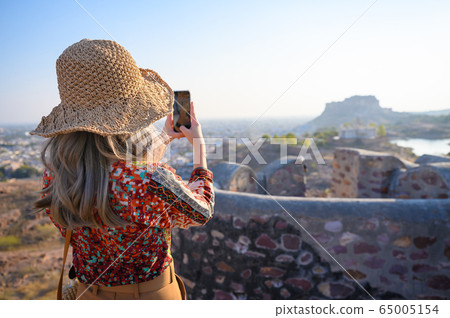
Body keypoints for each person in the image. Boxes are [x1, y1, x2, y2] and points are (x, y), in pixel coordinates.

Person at [32, 39, 214, 300]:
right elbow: (202, 210)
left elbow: (115, 169)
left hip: (87, 295)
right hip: (150, 297)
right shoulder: (151, 182)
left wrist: (164, 137)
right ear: (130, 114)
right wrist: (199, 147)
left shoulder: (56, 173)